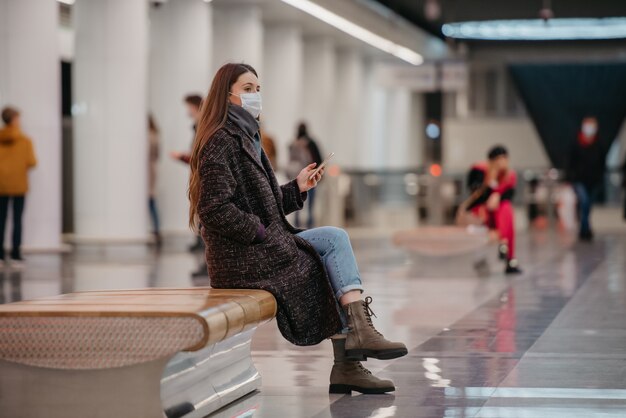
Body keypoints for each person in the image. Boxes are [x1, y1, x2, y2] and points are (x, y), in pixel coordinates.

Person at [188, 63, 407, 394]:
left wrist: (298, 188)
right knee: (315, 259)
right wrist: (258, 231)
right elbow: (214, 209)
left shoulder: (247, 137)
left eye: (258, 90)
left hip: (260, 246)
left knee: (333, 239)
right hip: (243, 256)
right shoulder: (222, 140)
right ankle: (351, 353)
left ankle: (354, 346)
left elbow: (266, 204)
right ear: (226, 94)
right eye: (247, 89)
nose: (255, 96)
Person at [465, 146, 522, 274]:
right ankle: (507, 251)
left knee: (506, 208)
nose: (501, 163)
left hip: (499, 213)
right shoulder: (480, 171)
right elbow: (476, 196)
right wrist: (491, 182)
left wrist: (497, 195)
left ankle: (504, 243)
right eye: (498, 160)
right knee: (504, 213)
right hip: (481, 212)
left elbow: (509, 195)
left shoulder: (510, 175)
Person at [0, 107, 37, 265]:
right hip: (19, 185)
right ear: (14, 119)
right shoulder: (25, 140)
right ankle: (16, 253)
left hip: (1, 185)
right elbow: (32, 162)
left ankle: (1, 254)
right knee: (17, 220)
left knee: (1, 220)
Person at [171, 94, 205, 253]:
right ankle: (200, 240)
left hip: (201, 175)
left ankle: (202, 241)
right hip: (196, 175)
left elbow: (199, 156)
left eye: (189, 108)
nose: (187, 112)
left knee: (202, 208)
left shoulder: (202, 126)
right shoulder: (198, 126)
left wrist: (182, 156)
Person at [567, 116, 605, 241]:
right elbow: (570, 162)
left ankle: (585, 227)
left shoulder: (598, 144)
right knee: (584, 201)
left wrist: (600, 178)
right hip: (579, 180)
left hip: (594, 181)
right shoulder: (576, 143)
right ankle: (585, 229)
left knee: (588, 205)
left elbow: (601, 163)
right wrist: (570, 178)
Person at [288, 122, 323, 229]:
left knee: (297, 200)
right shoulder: (311, 143)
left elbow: (290, 161)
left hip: (297, 176)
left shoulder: (293, 143)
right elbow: (318, 159)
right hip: (310, 176)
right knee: (310, 203)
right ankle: (310, 224)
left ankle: (297, 225)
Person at [148, 115, 162, 247]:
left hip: (148, 172)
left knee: (150, 201)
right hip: (151, 170)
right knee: (151, 201)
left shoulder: (148, 136)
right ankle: (156, 230)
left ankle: (156, 230)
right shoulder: (155, 135)